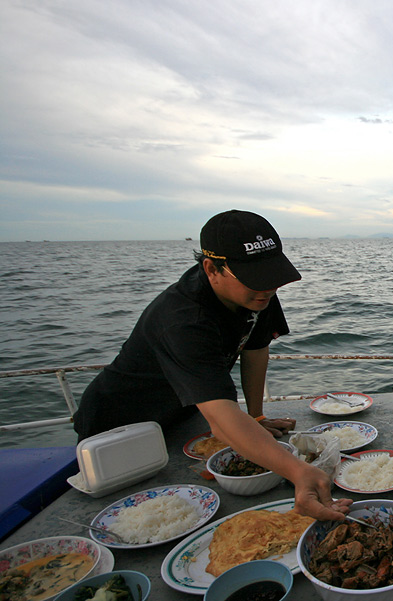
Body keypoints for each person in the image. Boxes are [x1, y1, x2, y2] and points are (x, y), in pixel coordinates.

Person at [73, 209, 351, 521]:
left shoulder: (257, 294)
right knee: (140, 516)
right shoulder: (183, 319)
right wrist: (300, 473)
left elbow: (255, 350)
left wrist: (255, 416)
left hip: (182, 414)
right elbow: (220, 420)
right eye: (254, 279)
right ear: (211, 268)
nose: (268, 290)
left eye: (271, 276)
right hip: (118, 427)